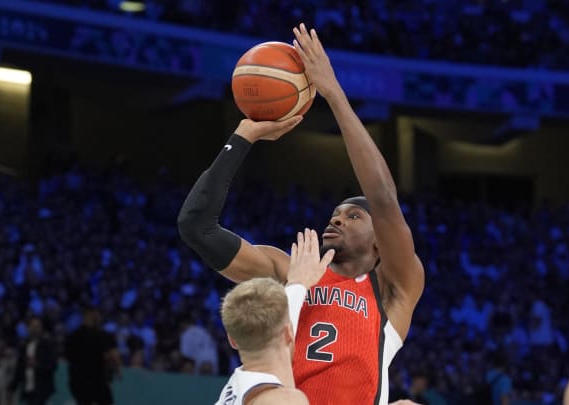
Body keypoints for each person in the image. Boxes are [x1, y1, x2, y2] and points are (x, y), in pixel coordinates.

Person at [178, 23, 424, 405]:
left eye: (354, 216)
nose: (337, 218)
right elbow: (198, 227)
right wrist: (243, 137)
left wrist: (333, 93)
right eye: (336, 213)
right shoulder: (287, 270)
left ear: (380, 243)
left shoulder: (393, 290)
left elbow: (383, 198)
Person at [215, 228, 334, 405]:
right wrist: (297, 284)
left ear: (232, 340)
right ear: (288, 333)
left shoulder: (232, 391)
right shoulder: (284, 400)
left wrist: (298, 284)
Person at [64, 307, 121, 405]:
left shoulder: (73, 337)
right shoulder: (102, 336)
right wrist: (117, 371)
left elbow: (68, 357)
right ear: (93, 315)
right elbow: (113, 356)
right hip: (97, 382)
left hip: (77, 382)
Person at [9, 317, 57, 405]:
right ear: (28, 328)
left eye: (37, 326)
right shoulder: (24, 346)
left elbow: (53, 366)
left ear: (41, 328)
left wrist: (37, 365)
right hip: (28, 388)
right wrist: (13, 386)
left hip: (42, 389)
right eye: (32, 326)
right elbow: (20, 368)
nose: (35, 329)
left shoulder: (47, 345)